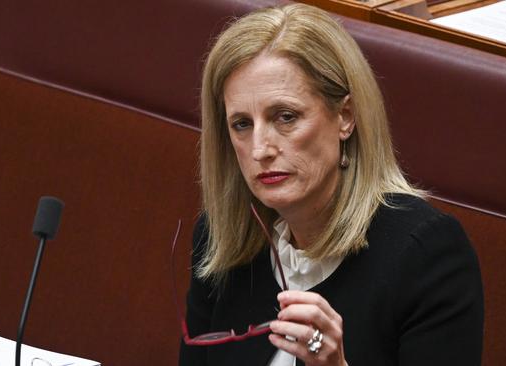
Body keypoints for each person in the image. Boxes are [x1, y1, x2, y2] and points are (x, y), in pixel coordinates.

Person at [178, 3, 483, 366]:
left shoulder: (426, 254)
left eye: (286, 117)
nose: (260, 149)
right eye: (242, 124)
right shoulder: (222, 236)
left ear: (345, 117)